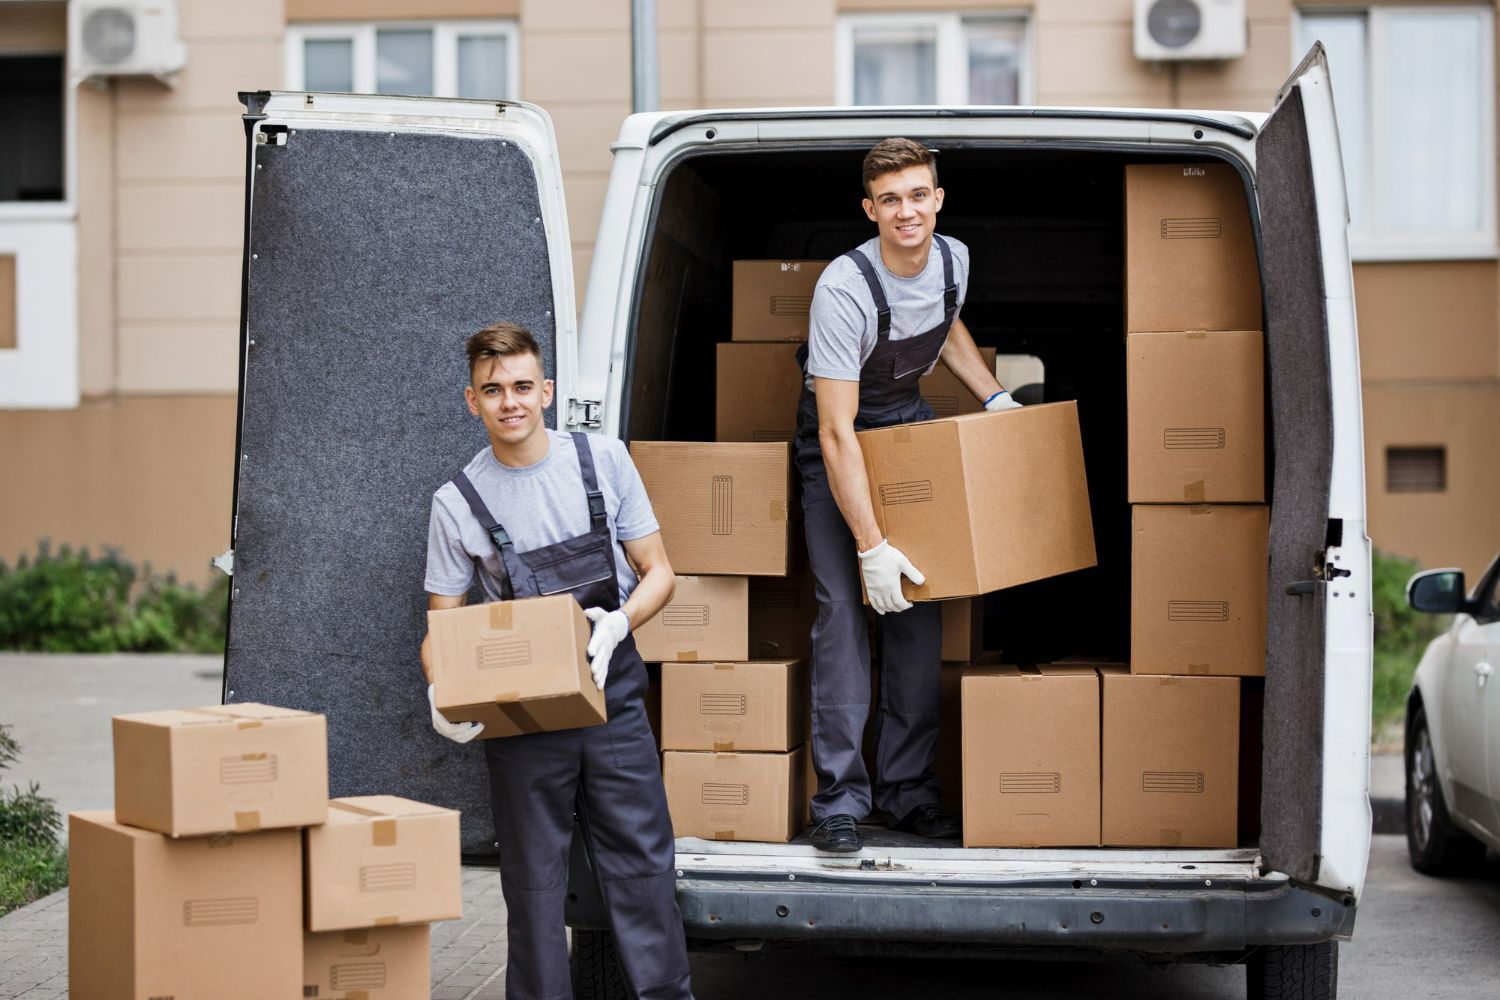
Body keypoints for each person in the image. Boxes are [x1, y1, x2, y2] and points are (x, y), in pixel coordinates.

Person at [420, 322, 695, 1000]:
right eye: (492, 390)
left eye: (521, 386)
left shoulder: (602, 461)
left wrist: (620, 624)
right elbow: (441, 624)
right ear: (471, 401)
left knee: (642, 870)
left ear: (546, 391)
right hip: (521, 722)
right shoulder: (457, 502)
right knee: (535, 885)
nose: (509, 402)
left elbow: (659, 571)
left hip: (614, 700)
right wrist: (442, 694)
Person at [796, 137, 1023, 853]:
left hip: (907, 431)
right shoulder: (843, 288)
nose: (907, 211)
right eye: (890, 199)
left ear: (938, 199)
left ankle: (907, 791)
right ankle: (839, 800)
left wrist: (993, 398)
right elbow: (836, 432)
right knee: (843, 616)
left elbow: (945, 324)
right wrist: (871, 547)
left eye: (918, 195)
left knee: (919, 614)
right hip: (838, 441)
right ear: (870, 209)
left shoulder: (954, 259)